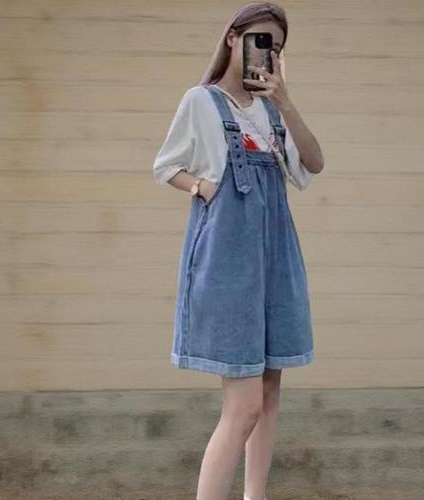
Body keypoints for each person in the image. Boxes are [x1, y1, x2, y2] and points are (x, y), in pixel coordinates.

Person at [152, 3, 324, 499]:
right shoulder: (201, 102)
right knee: (244, 405)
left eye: (276, 47)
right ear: (233, 37)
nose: (266, 53)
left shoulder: (272, 112)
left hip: (275, 260)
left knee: (268, 395)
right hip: (227, 261)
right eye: (259, 40)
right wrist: (202, 187)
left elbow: (314, 162)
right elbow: (165, 165)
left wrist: (285, 101)